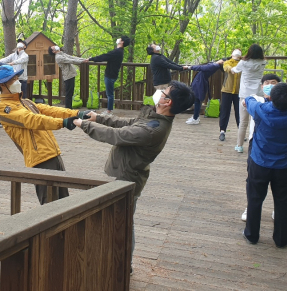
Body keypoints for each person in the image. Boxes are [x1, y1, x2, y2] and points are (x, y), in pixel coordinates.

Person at [73, 81, 195, 271]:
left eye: (164, 92)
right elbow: (127, 124)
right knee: (118, 222)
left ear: (168, 102)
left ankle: (122, 266)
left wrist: (83, 124)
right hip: (122, 174)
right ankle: (115, 261)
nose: (159, 92)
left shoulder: (153, 130)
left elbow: (117, 135)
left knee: (123, 225)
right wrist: (98, 117)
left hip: (126, 179)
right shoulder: (153, 118)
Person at [0, 65, 90, 204]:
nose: (18, 81)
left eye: (17, 78)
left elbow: (50, 110)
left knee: (65, 203)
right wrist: (63, 123)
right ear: (2, 84)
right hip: (40, 160)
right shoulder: (3, 108)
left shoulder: (26, 102)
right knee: (49, 206)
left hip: (53, 154)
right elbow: (31, 120)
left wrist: (77, 113)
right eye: (13, 79)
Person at [242, 83, 287, 248]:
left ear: (271, 97)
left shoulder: (260, 110)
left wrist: (266, 98)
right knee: (283, 201)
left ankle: (251, 235)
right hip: (285, 165)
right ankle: (281, 238)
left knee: (255, 198)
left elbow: (248, 100)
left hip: (260, 163)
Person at [241, 73, 281, 222]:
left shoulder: (286, 103)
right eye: (267, 83)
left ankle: (278, 209)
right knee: (252, 178)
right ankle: (250, 207)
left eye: (274, 83)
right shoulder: (257, 100)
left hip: (278, 146)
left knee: (278, 181)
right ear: (262, 86)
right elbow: (245, 102)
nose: (270, 85)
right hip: (256, 144)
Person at [231, 44, 266, 153]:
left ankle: (239, 145)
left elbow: (234, 70)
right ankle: (256, 145)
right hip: (258, 94)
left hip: (245, 95)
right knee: (257, 121)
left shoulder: (243, 63)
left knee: (243, 122)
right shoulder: (263, 63)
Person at [87, 36, 129, 115]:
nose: (118, 39)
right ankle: (109, 110)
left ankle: (109, 111)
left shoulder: (117, 52)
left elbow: (104, 56)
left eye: (119, 38)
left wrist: (91, 59)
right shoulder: (120, 51)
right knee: (109, 93)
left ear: (122, 42)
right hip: (113, 74)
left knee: (109, 94)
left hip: (110, 75)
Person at [184, 59, 225, 125]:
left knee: (197, 100)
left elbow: (202, 67)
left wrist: (190, 67)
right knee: (196, 100)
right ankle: (195, 116)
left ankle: (195, 118)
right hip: (199, 81)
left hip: (200, 83)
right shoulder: (214, 64)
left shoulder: (215, 66)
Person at [218, 49, 242, 141]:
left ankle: (241, 132)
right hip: (227, 90)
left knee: (239, 112)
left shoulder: (242, 63)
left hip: (239, 92)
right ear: (231, 54)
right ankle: (222, 131)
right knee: (225, 111)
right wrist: (232, 69)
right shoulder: (227, 62)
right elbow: (226, 67)